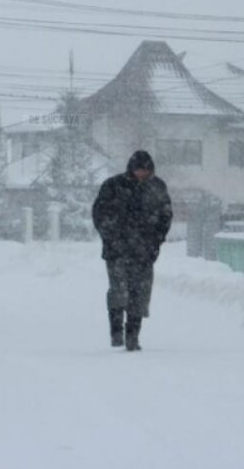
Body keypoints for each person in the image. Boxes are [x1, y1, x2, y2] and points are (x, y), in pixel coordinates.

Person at [92, 150, 172, 352]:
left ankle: (133, 336)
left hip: (144, 252)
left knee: (140, 294)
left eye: (146, 170)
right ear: (131, 168)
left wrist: (155, 243)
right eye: (138, 169)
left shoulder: (158, 188)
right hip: (116, 251)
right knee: (119, 291)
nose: (142, 174)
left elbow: (165, 218)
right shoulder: (113, 186)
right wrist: (111, 238)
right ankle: (116, 330)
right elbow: (99, 214)